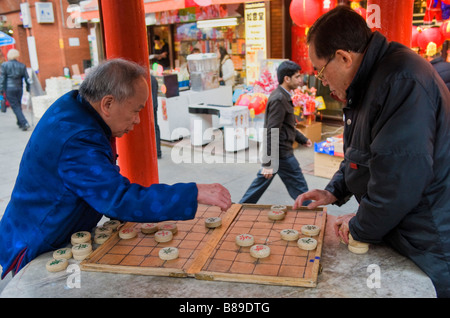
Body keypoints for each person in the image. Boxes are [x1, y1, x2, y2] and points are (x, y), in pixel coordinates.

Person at [0, 58, 231, 279]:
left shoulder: (78, 106)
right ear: (108, 103)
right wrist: (193, 192)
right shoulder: (77, 139)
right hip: (35, 241)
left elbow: (106, 183)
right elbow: (118, 200)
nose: (138, 120)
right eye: (135, 110)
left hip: (49, 229)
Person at [293, 6, 450, 298]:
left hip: (429, 236)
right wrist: (334, 191)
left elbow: (399, 181)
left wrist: (359, 226)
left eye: (320, 71)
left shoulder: (400, 80)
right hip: (405, 228)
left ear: (343, 57)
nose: (322, 82)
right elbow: (362, 153)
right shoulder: (369, 80)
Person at [240, 60, 312, 204]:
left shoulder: (283, 96)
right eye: (297, 77)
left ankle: (240, 208)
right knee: (301, 189)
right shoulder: (279, 98)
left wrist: (302, 139)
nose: (300, 80)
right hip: (281, 153)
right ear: (287, 78)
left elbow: (287, 125)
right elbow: (271, 130)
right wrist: (268, 162)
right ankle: (311, 213)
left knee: (259, 185)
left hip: (279, 153)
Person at [0, 49, 32, 131]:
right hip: (19, 88)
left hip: (9, 88)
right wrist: (28, 88)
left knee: (15, 106)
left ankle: (24, 122)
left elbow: (2, 78)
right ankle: (20, 122)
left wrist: (1, 90)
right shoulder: (22, 65)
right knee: (17, 105)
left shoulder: (4, 65)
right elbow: (27, 78)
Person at [150, 75, 162, 158]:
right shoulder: (153, 79)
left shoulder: (146, 79)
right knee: (155, 127)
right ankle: (158, 151)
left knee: (153, 128)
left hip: (149, 108)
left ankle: (156, 151)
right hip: (154, 106)